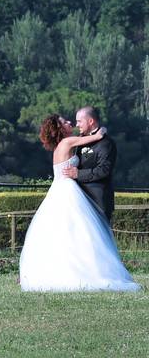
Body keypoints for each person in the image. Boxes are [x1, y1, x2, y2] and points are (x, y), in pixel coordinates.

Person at [19, 114, 140, 292]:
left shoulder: (63, 145)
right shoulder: (68, 143)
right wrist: (102, 130)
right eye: (65, 122)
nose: (70, 123)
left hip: (60, 189)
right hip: (67, 189)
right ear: (60, 128)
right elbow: (97, 136)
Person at [61, 106, 116, 221]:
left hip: (98, 201)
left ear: (91, 121)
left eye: (79, 121)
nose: (77, 125)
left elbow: (104, 170)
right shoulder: (80, 139)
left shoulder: (106, 143)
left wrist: (78, 174)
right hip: (79, 200)